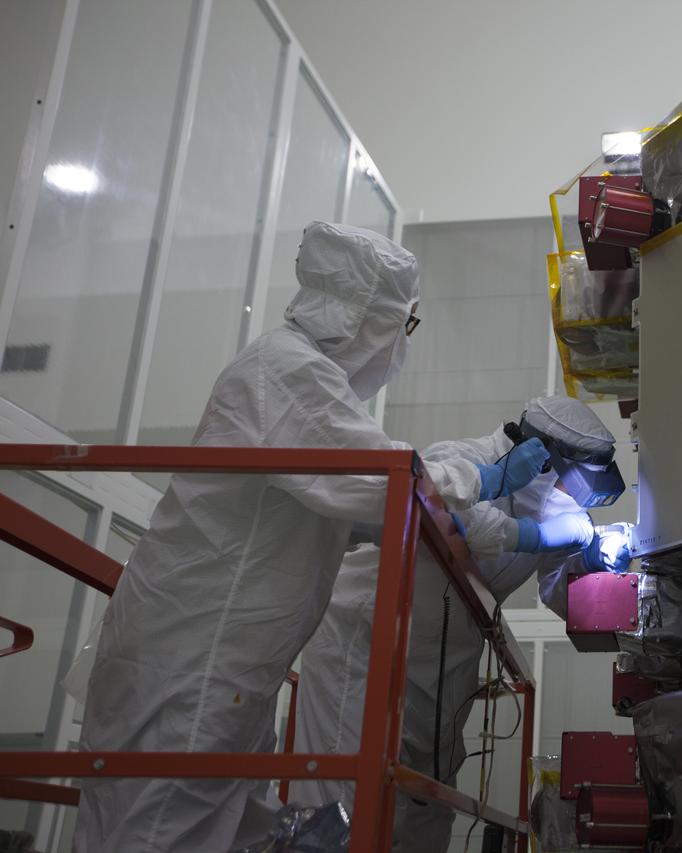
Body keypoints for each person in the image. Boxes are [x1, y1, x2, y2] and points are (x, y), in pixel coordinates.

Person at [72, 222, 551, 853]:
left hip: (230, 658)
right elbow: (381, 482)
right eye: (401, 324)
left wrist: (494, 517)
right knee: (160, 826)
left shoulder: (302, 378)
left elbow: (368, 512)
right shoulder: (284, 370)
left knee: (212, 819)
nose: (401, 344)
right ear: (361, 315)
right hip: (193, 654)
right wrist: (483, 480)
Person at [289, 396, 633, 851]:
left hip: (444, 668)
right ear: (547, 459)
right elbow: (459, 517)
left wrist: (594, 561)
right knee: (345, 803)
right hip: (365, 648)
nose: (576, 500)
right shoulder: (468, 459)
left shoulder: (554, 506)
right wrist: (531, 536)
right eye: (577, 485)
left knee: (424, 809)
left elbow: (559, 591)